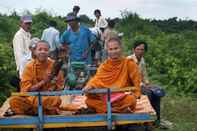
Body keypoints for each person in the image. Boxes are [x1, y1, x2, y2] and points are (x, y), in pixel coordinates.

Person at [83, 37, 141, 113]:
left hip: (121, 98)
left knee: (131, 100)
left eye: (116, 48)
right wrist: (89, 85)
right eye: (111, 49)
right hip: (105, 98)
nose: (113, 51)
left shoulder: (129, 63)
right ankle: (117, 110)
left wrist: (135, 94)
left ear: (121, 48)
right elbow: (96, 79)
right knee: (88, 101)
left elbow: (136, 83)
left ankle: (107, 110)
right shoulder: (104, 66)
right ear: (107, 51)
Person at [9, 40, 64, 115]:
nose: (43, 52)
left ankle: (35, 110)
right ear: (35, 52)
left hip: (47, 98)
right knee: (14, 101)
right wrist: (44, 81)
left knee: (56, 100)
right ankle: (44, 111)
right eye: (40, 49)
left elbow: (59, 89)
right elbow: (25, 91)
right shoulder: (29, 67)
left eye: (46, 50)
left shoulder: (55, 65)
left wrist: (53, 83)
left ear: (49, 52)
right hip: (32, 97)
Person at [127, 41, 166, 123]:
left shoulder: (142, 60)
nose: (140, 51)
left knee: (157, 92)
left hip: (141, 85)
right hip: (131, 86)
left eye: (142, 49)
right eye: (138, 49)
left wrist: (149, 84)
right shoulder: (129, 60)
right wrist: (143, 85)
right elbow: (131, 78)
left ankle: (157, 119)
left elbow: (144, 75)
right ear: (133, 50)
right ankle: (148, 118)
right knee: (148, 93)